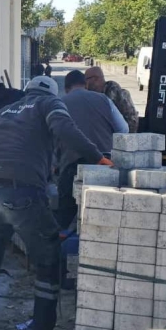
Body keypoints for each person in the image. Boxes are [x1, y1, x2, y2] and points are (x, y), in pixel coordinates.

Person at [0, 76, 113, 330]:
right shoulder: (49, 104)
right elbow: (65, 129)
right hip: (22, 193)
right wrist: (100, 158)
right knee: (49, 260)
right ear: (51, 93)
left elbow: (15, 145)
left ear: (26, 91)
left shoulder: (3, 111)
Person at [55, 70, 129, 228]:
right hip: (104, 163)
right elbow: (123, 129)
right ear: (85, 84)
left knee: (66, 217)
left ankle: (64, 240)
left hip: (71, 166)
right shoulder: (104, 100)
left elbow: (52, 137)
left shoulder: (59, 104)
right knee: (101, 216)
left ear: (66, 88)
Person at [85, 65, 139, 133]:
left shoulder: (112, 94)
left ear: (95, 79)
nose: (84, 83)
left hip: (121, 135)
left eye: (86, 79)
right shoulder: (99, 93)